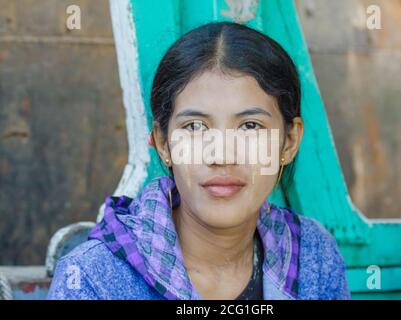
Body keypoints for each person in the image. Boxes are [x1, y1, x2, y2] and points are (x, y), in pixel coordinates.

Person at [47, 22, 350, 300]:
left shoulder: (313, 257)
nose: (221, 155)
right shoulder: (93, 279)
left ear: (289, 141)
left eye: (250, 126)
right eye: (195, 127)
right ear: (163, 143)